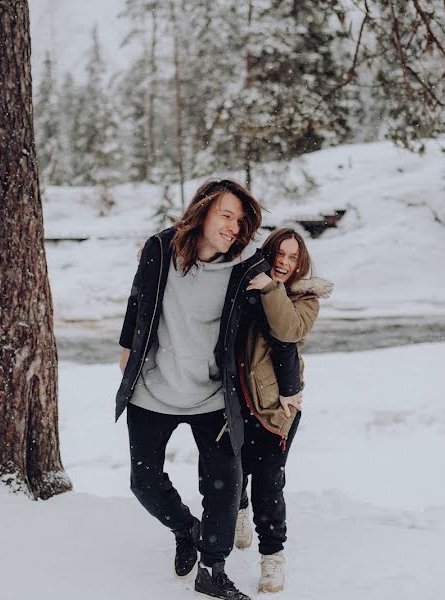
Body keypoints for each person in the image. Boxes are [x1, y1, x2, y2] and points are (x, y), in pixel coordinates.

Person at [116, 179, 268, 600]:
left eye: (240, 221)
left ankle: (212, 569)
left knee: (224, 482)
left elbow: (276, 325)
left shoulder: (247, 267)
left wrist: (286, 384)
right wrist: (126, 361)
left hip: (213, 396)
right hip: (153, 389)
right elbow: (137, 305)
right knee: (143, 484)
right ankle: (186, 528)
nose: (234, 227)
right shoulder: (160, 250)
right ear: (201, 211)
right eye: (226, 215)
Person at [235, 227, 332, 593]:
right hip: (234, 396)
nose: (284, 262)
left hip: (277, 406)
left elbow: (287, 331)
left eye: (293, 257)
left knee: (269, 482)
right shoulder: (246, 282)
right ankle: (239, 511)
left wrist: (270, 289)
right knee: (230, 471)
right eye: (279, 253)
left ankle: (272, 557)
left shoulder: (306, 300)